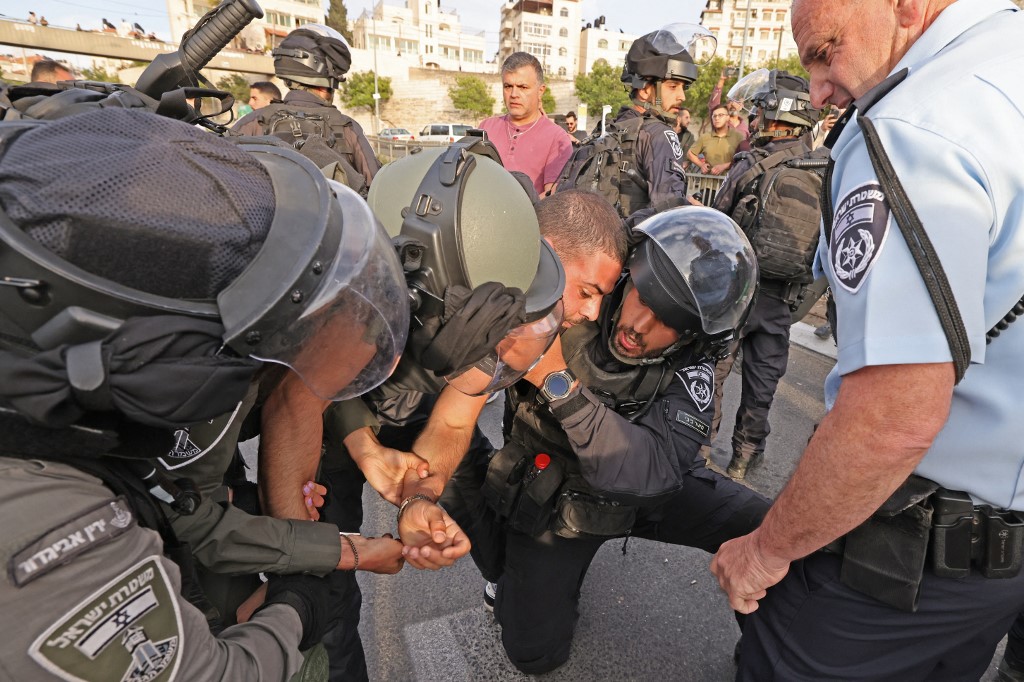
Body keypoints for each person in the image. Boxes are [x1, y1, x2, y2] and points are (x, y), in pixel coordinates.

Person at [0, 107, 411, 680]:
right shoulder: (49, 522)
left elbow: (184, 509)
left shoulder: (78, 419)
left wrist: (347, 551)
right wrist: (297, 611)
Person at [710, 1, 1024, 680]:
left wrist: (767, 549)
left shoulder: (915, 127)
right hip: (995, 574)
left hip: (908, 565)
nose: (818, 89)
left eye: (825, 51)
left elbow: (892, 421)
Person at [415, 207, 769, 674]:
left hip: (642, 492)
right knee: (533, 654)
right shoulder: (573, 299)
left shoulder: (693, 362)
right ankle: (502, 555)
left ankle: (772, 651)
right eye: (641, 297)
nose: (638, 326)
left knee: (774, 531)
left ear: (694, 337)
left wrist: (556, 379)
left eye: (667, 320)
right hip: (554, 497)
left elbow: (651, 472)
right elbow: (463, 397)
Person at [710, 69, 821, 479]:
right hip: (780, 301)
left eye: (759, 111)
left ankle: (700, 447)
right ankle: (744, 456)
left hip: (737, 294)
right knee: (762, 384)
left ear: (776, 116)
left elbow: (718, 224)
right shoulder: (824, 169)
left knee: (716, 373)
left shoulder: (749, 164)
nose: (753, 120)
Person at [233, 24, 380, 192]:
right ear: (326, 87)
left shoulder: (251, 122)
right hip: (332, 217)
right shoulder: (348, 128)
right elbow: (376, 190)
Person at [477, 52, 573, 197]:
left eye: (522, 87)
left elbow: (551, 197)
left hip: (528, 218)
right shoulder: (486, 127)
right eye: (508, 86)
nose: (514, 94)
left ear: (540, 91)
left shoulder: (558, 139)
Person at [687, 104, 744, 175]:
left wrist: (726, 166)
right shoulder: (705, 137)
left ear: (728, 117)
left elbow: (744, 158)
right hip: (708, 183)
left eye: (720, 115)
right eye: (714, 116)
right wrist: (701, 165)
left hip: (729, 182)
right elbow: (690, 154)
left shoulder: (738, 136)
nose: (717, 118)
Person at [709, 68, 751, 152]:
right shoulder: (719, 121)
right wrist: (721, 81)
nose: (732, 104)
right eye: (730, 101)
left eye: (737, 101)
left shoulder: (746, 128)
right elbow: (713, 105)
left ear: (741, 106)